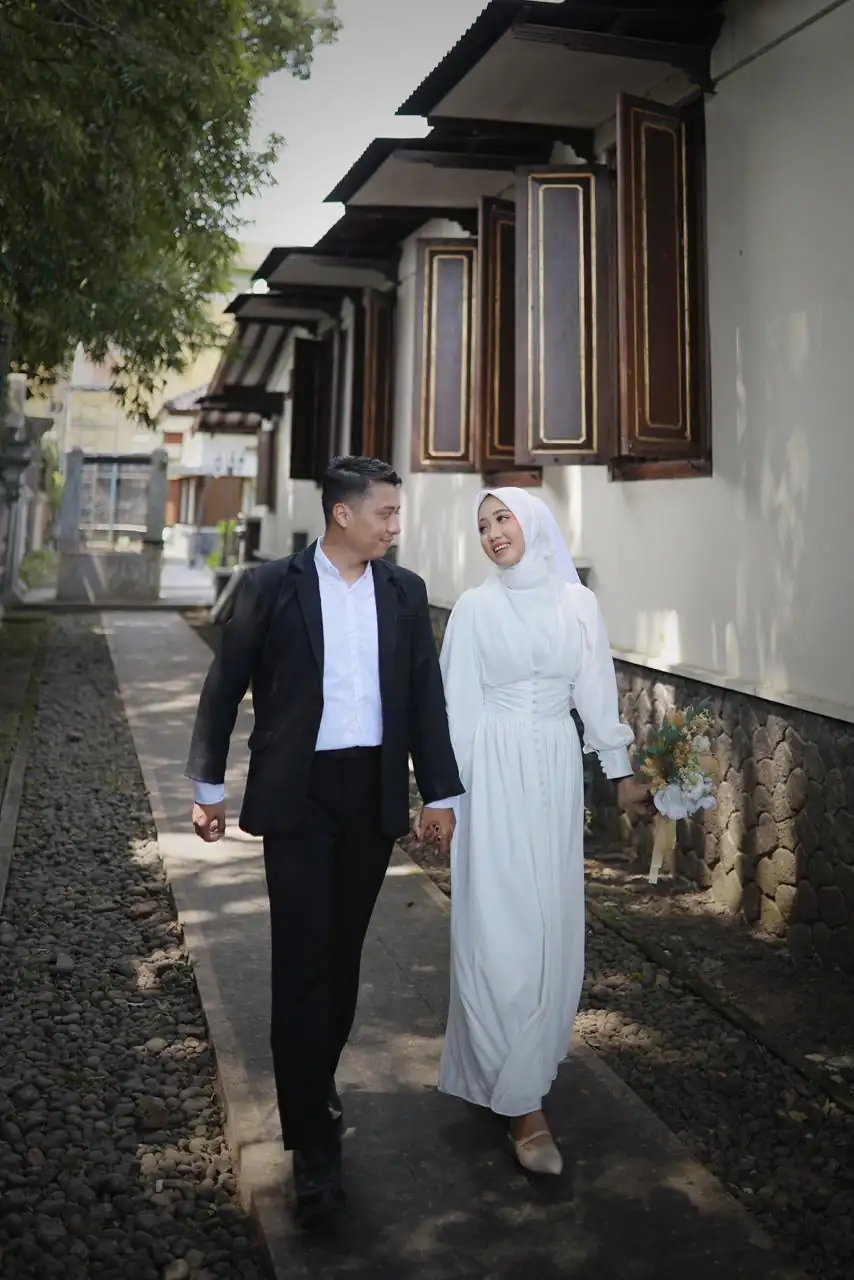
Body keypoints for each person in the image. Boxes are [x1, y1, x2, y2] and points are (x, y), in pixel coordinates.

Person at [185, 456, 462, 1225]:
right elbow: (224, 686)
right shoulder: (272, 587)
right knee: (302, 962)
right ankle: (313, 1145)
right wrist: (208, 787)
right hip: (298, 796)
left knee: (341, 964)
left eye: (397, 513)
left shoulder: (404, 592)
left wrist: (439, 794)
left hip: (371, 795)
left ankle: (314, 1083)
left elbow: (425, 698)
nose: (395, 526)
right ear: (344, 513)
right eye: (385, 513)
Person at [437, 487, 646, 1176]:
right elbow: (456, 707)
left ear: (532, 523)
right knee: (499, 925)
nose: (493, 532)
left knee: (549, 923)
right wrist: (445, 798)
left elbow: (595, 691)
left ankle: (520, 1070)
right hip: (491, 773)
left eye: (503, 518)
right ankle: (524, 1108)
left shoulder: (576, 604)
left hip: (554, 770)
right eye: (483, 525)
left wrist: (620, 771)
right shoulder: (474, 609)